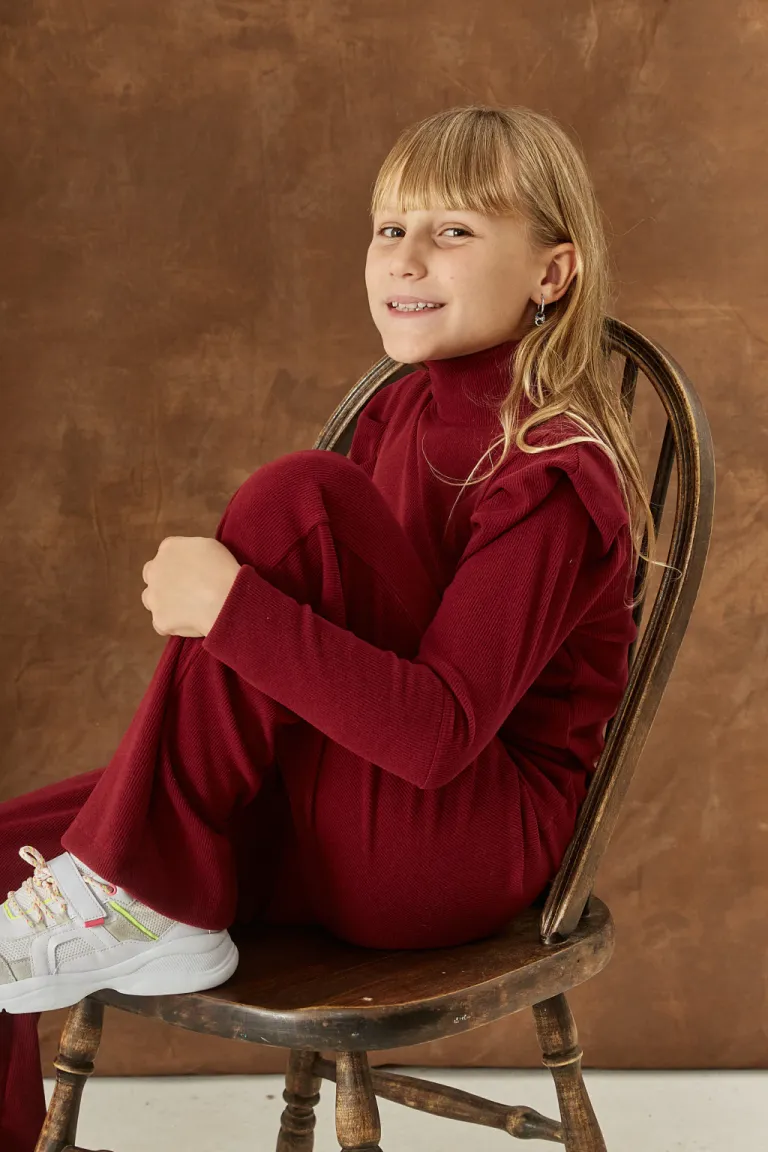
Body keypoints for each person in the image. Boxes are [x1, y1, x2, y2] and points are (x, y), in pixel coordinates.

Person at [0, 104, 657, 1150]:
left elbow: (437, 735)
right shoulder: (401, 410)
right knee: (4, 855)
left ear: (551, 273)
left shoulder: (554, 472)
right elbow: (320, 673)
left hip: (454, 844)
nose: (406, 256)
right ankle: (132, 892)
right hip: (349, 789)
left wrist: (230, 609)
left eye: (454, 231)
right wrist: (244, 624)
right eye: (388, 227)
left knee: (296, 499)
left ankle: (141, 889)